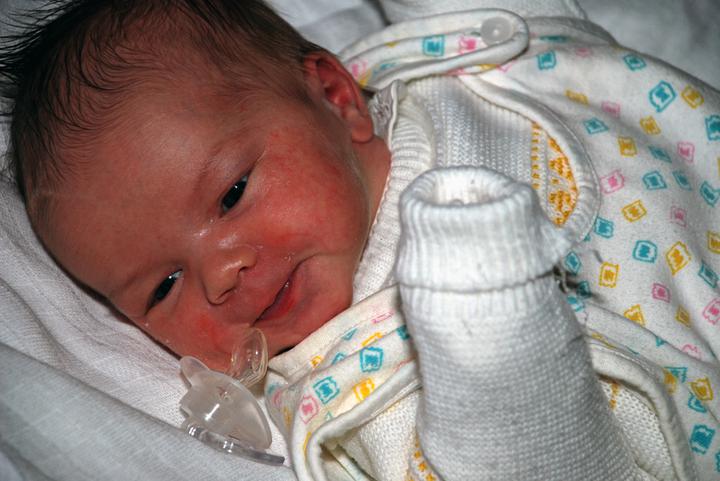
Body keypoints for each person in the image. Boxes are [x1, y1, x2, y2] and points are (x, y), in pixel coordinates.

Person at [1, 0, 718, 480]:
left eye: (231, 194)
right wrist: (483, 324)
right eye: (163, 287)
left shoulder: (462, 62)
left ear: (336, 98)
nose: (220, 275)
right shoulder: (351, 386)